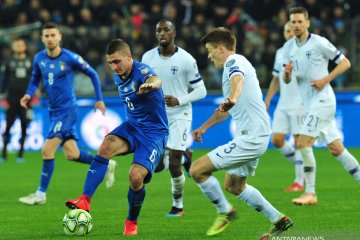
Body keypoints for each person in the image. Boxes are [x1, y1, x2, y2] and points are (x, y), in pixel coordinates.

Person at [189, 27, 293, 238]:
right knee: (234, 186)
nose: (209, 56)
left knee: (196, 170)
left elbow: (238, 80)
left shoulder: (233, 62)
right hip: (254, 136)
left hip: (252, 137)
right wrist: (204, 127)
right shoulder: (236, 65)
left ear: (220, 48)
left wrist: (233, 98)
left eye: (210, 51)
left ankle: (224, 211)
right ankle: (279, 220)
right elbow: (225, 111)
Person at [65, 38, 168, 236]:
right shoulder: (119, 75)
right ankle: (85, 200)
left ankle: (131, 221)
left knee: (135, 177)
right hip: (133, 126)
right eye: (110, 62)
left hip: (154, 132)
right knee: (105, 147)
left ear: (129, 56)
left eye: (117, 61)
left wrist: (151, 86)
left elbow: (156, 79)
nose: (113, 67)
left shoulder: (141, 71)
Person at [18, 22, 116, 206]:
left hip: (67, 110)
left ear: (59, 37)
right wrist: (28, 94)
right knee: (72, 154)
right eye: (46, 36)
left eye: (52, 35)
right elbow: (35, 79)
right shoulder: (39, 58)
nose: (49, 39)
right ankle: (106, 164)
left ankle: (40, 194)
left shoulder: (70, 58)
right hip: (53, 111)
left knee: (47, 149)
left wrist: (99, 99)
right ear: (42, 38)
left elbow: (93, 74)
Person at [283, 6, 360, 205]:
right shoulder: (290, 47)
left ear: (307, 23)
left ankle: (310, 193)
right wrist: (287, 74)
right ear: (290, 24)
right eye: (294, 22)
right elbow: (287, 79)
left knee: (302, 143)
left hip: (323, 101)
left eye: (300, 21)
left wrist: (325, 79)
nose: (297, 25)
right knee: (336, 149)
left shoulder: (319, 42)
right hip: (311, 104)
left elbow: (345, 63)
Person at [141, 19, 207, 217]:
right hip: (156, 117)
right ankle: (186, 155)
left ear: (174, 33)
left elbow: (201, 90)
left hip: (180, 114)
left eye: (166, 30)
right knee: (159, 165)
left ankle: (177, 206)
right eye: (159, 30)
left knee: (174, 165)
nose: (162, 33)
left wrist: (180, 100)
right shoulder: (147, 57)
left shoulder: (186, 59)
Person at [265, 22, 306, 192]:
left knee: (298, 142)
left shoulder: (303, 51)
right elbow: (276, 78)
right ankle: (302, 169)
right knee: (277, 140)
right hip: (283, 102)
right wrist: (268, 99)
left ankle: (299, 181)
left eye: (291, 31)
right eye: (286, 31)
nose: (289, 33)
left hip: (299, 102)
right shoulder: (281, 53)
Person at [0, 38, 36, 163]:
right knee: (8, 126)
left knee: (24, 126)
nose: (19, 46)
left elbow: (35, 80)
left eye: (21, 44)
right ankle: (3, 154)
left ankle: (21, 154)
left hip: (26, 100)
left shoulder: (31, 62)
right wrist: (2, 97)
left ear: (25, 46)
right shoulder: (8, 62)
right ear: (13, 47)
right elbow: (3, 82)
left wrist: (35, 95)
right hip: (11, 99)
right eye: (17, 44)